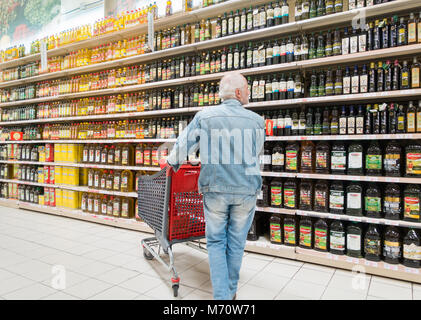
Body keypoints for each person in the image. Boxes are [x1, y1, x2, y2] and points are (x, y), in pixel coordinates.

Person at [166, 72, 265, 300]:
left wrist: (172, 164)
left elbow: (183, 146)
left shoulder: (205, 116)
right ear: (239, 93)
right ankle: (228, 293)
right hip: (245, 189)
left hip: (215, 189)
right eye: (248, 89)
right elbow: (255, 152)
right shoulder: (257, 121)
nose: (249, 92)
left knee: (216, 241)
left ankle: (222, 296)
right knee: (237, 243)